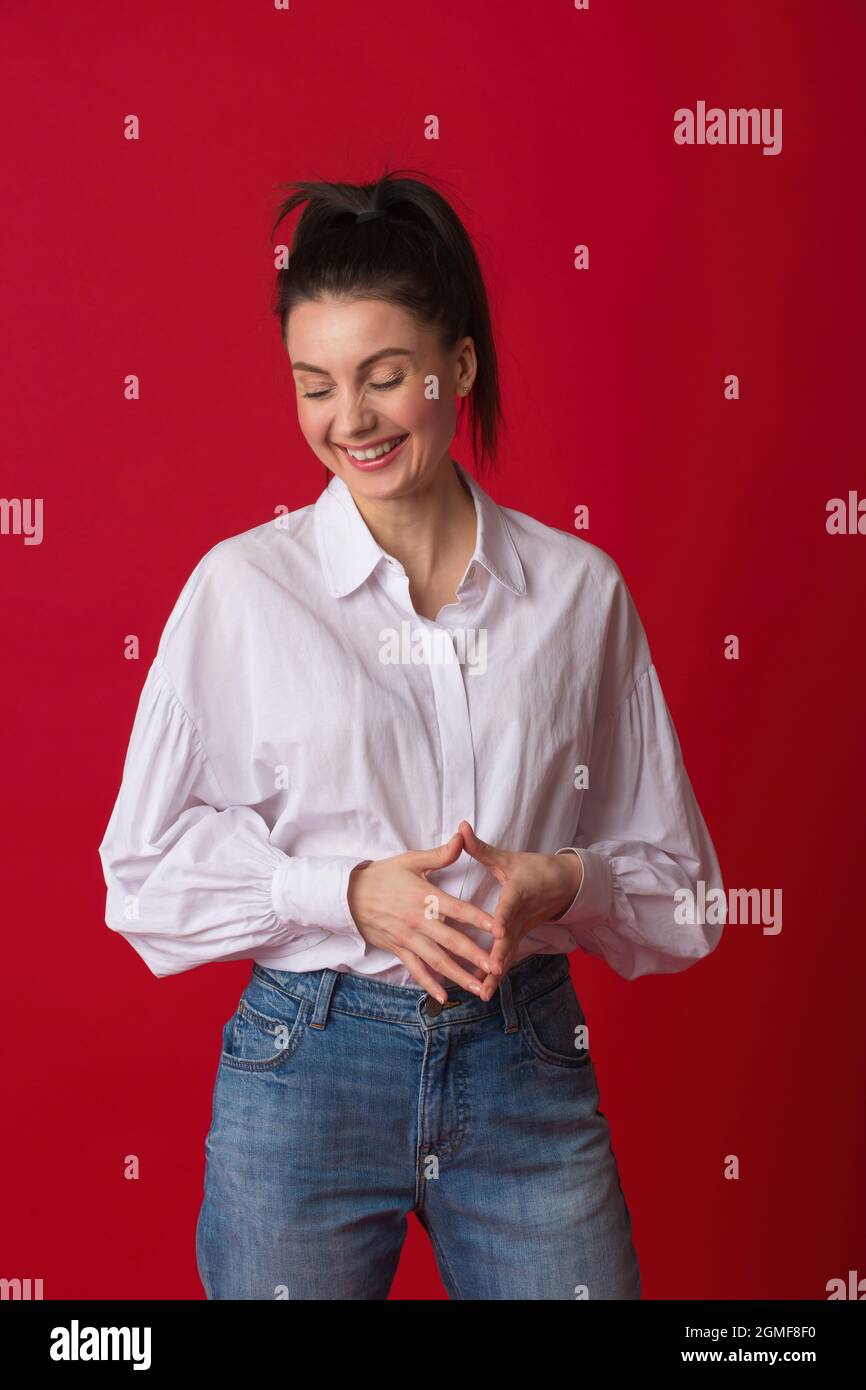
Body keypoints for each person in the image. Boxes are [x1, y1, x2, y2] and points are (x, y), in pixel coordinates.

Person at [97, 169, 725, 1301]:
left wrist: (560, 881)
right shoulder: (242, 590)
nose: (350, 420)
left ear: (460, 366)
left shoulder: (577, 593)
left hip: (521, 1058)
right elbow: (139, 874)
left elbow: (682, 892)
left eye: (385, 376)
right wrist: (342, 893)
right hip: (307, 1068)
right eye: (315, 385)